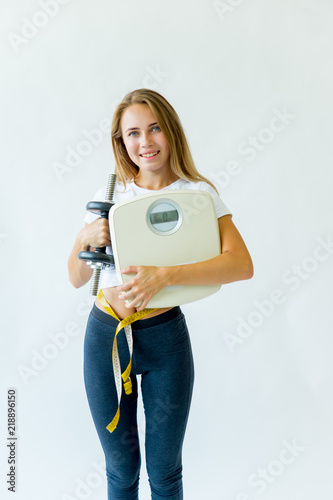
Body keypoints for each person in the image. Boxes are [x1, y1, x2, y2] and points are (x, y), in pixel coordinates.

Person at [67, 88, 254, 500]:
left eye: (154, 129)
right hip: (106, 339)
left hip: (165, 340)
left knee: (165, 472)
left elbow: (241, 264)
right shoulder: (110, 194)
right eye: (132, 133)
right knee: (121, 471)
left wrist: (164, 276)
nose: (145, 142)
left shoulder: (198, 195)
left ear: (170, 132)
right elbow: (76, 277)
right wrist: (85, 236)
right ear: (121, 141)